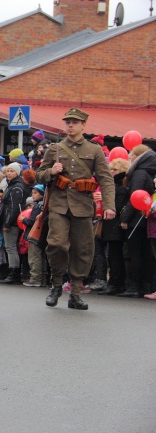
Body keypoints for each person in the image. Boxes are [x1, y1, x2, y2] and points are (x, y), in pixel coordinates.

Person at [36, 107, 115, 310]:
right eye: (67, 122)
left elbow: (106, 179)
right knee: (57, 244)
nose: (70, 125)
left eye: (74, 122)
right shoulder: (55, 149)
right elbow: (39, 174)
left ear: (83, 125)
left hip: (82, 205)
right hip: (59, 204)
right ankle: (55, 285)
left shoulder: (94, 150)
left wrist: (109, 205)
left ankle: (76, 292)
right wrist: (51, 172)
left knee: (83, 249)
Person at [117, 144, 156, 298]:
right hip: (143, 218)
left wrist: (124, 218)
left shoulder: (139, 173)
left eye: (132, 154)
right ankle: (144, 286)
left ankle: (135, 286)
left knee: (135, 254)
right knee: (144, 254)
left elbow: (135, 197)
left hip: (136, 220)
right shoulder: (148, 172)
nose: (129, 156)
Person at [97, 158, 129, 296]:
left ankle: (116, 283)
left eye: (114, 170)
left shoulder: (121, 187)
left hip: (115, 224)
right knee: (112, 255)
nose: (111, 172)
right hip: (110, 224)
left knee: (115, 255)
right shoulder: (114, 186)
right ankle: (114, 282)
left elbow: (118, 206)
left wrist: (104, 200)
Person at [0, 162, 30, 284]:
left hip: (12, 222)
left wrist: (7, 223)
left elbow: (14, 207)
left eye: (12, 171)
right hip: (10, 220)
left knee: (10, 247)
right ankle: (12, 270)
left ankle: (14, 272)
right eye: (8, 171)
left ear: (17, 173)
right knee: (10, 247)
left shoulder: (16, 187)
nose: (9, 173)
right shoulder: (12, 185)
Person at [22, 184, 46, 287]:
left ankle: (35, 279)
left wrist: (23, 220)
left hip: (36, 234)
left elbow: (32, 221)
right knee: (42, 257)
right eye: (32, 193)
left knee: (34, 257)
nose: (33, 196)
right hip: (43, 234)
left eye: (35, 193)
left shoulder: (38, 206)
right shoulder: (44, 204)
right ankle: (43, 279)